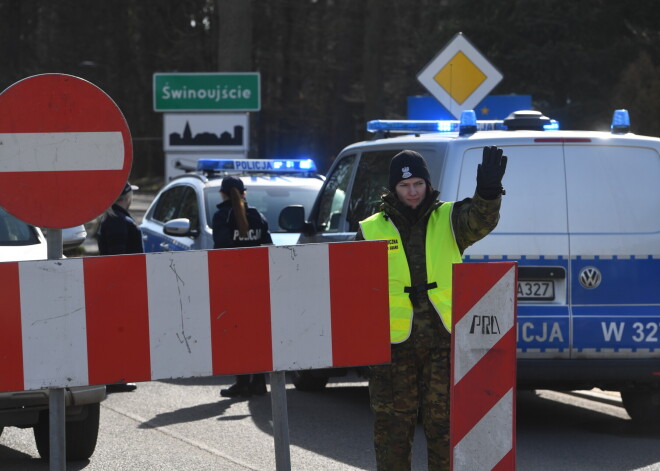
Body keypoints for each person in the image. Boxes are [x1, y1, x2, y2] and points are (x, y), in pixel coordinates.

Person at [356, 147, 507, 470]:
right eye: (404, 186)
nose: (412, 192)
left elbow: (481, 219)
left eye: (418, 184)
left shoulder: (449, 219)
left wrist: (489, 193)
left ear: (427, 185)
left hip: (443, 344)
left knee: (445, 430)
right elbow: (355, 290)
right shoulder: (370, 229)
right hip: (393, 349)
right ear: (393, 189)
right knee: (393, 432)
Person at [212, 176, 273, 398]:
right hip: (258, 285)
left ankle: (242, 382)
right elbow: (268, 247)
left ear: (223, 194)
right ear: (244, 193)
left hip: (234, 286)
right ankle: (258, 382)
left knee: (237, 334)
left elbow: (221, 250)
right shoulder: (258, 216)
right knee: (257, 334)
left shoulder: (222, 216)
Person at [96, 181, 143, 393]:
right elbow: (119, 260)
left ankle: (116, 376)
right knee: (118, 333)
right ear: (126, 197)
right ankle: (115, 378)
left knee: (118, 332)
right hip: (120, 288)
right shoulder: (118, 222)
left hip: (117, 287)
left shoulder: (115, 219)